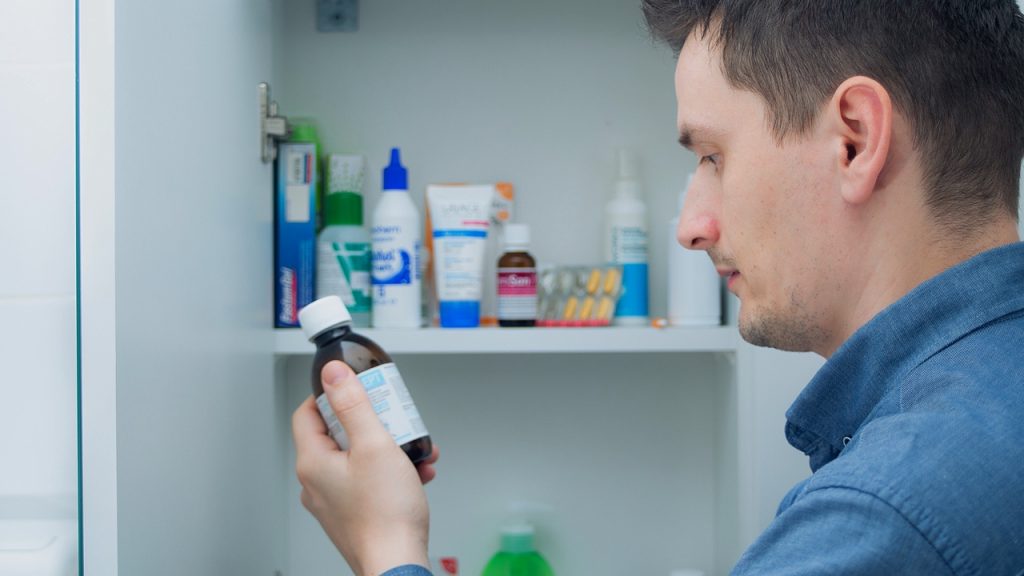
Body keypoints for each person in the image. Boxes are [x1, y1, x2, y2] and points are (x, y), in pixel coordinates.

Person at [292, 0, 1024, 574]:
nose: (691, 227)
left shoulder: (885, 519)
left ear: (854, 140)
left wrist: (388, 548)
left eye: (712, 155)